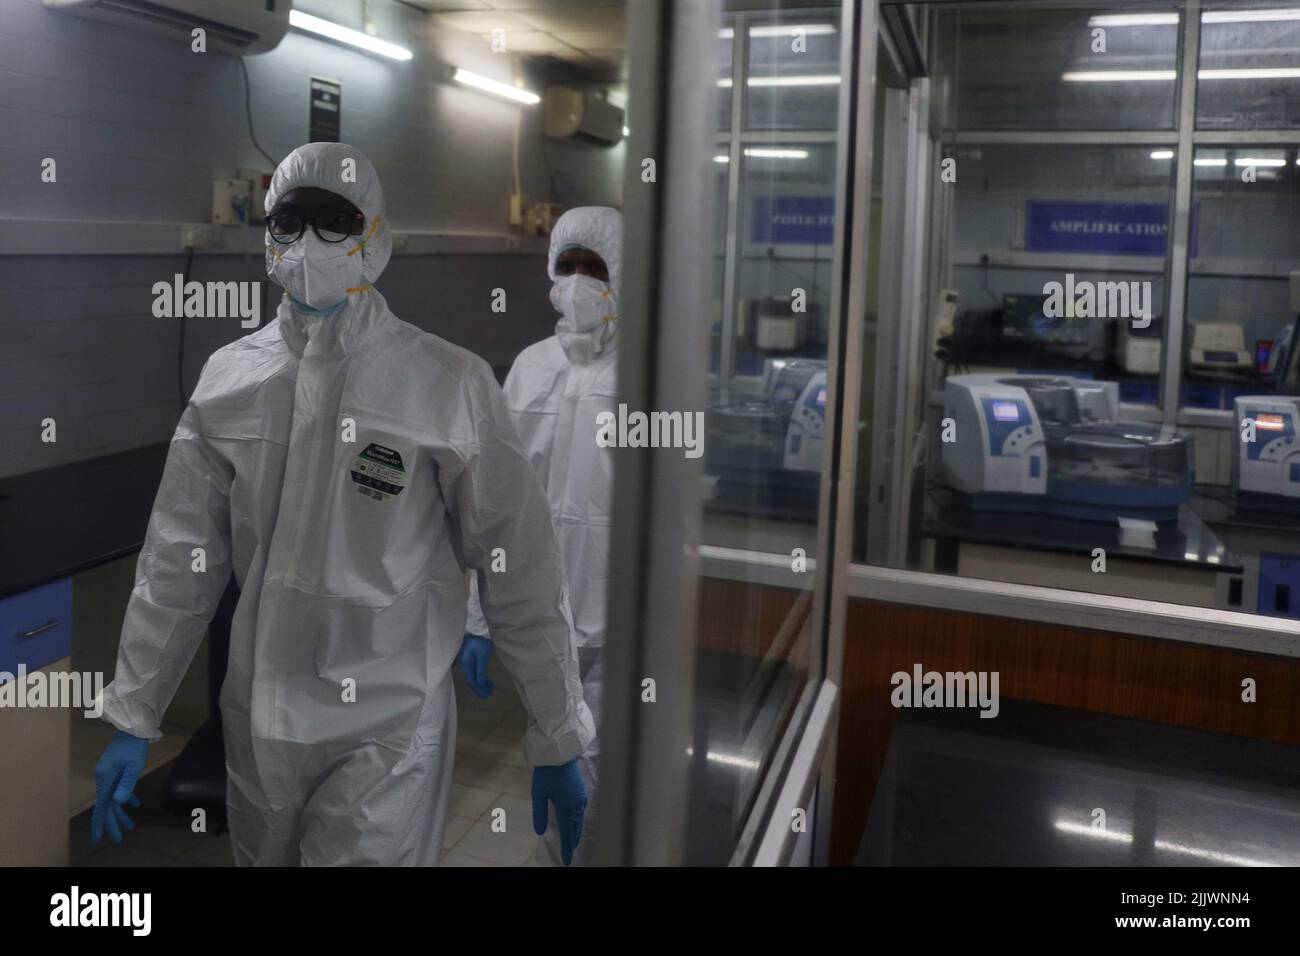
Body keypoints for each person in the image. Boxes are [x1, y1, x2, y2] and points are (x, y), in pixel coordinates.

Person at [90, 143, 594, 866]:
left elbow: (520, 562)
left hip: (388, 729)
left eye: (336, 220)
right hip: (261, 721)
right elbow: (178, 562)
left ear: (376, 238)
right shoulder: (230, 380)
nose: (307, 242)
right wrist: (134, 714)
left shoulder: (447, 383)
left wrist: (556, 729)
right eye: (288, 220)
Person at [461, 206, 622, 866]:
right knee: (558, 759)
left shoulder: (650, 373)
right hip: (542, 614)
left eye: (596, 268)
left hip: (620, 617)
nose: (579, 281)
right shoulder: (529, 367)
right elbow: (494, 498)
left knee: (596, 766)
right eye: (569, 265)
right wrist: (476, 614)